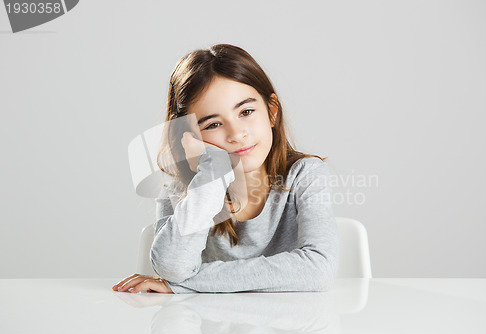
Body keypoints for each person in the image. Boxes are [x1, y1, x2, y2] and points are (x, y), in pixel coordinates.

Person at [112, 43, 339, 294]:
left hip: (286, 327)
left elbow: (318, 270)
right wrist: (214, 168)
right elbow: (172, 267)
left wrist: (187, 284)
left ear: (271, 111)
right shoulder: (179, 192)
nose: (236, 134)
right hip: (208, 326)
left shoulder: (305, 175)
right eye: (213, 125)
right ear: (189, 138)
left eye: (246, 111)